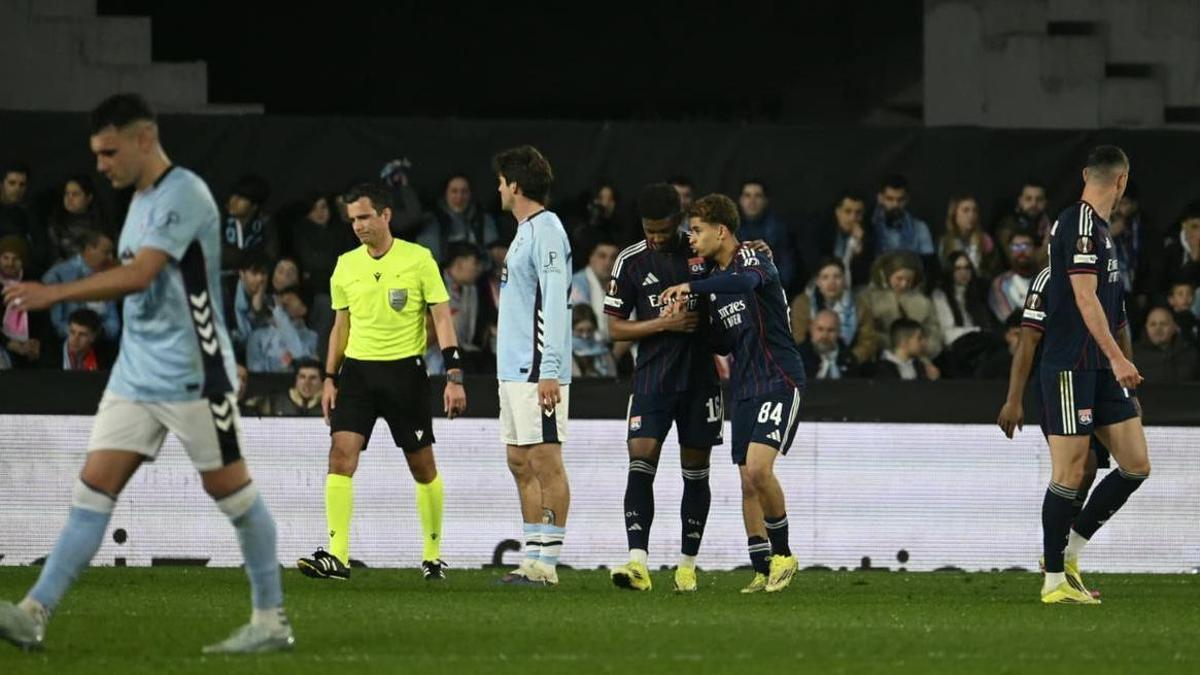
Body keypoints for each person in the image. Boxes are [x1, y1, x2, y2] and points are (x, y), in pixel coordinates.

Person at [0, 93, 291, 653]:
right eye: (97, 154)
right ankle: (33, 613)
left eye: (109, 153)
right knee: (93, 489)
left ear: (144, 139)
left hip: (194, 374)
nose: (101, 165)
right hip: (136, 374)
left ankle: (270, 619)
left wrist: (52, 293)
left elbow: (141, 275)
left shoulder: (185, 193)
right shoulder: (139, 199)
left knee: (231, 492)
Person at [296, 182, 467, 583]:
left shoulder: (418, 259)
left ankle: (432, 555)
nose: (357, 226)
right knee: (340, 456)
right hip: (357, 374)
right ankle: (337, 556)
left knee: (423, 468)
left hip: (405, 374)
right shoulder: (345, 265)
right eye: (352, 219)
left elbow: (442, 318)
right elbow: (340, 326)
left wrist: (453, 376)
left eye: (364, 217)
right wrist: (329, 377)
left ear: (386, 215)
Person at [660, 193, 806, 594]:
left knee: (759, 469)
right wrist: (686, 319)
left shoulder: (752, 259)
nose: (692, 238)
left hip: (779, 377)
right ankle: (762, 567)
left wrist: (691, 286)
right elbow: (722, 343)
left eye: (697, 230)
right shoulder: (714, 280)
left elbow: (745, 282)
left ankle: (784, 554)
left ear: (721, 231)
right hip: (744, 386)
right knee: (747, 481)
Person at [1034, 145, 1150, 605]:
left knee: (1136, 464)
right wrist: (1120, 360)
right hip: (1071, 364)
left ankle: (1069, 553)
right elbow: (1085, 298)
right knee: (1070, 471)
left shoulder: (1100, 231)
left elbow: (1114, 310)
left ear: (1087, 174)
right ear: (1122, 181)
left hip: (1101, 367)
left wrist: (1120, 369)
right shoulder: (1080, 224)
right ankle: (1053, 580)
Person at [603, 183, 723, 593]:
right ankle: (638, 562)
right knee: (641, 459)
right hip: (652, 379)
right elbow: (615, 328)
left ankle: (687, 567)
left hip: (700, 379)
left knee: (696, 470)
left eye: (664, 230)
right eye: (649, 230)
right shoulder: (630, 261)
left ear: (679, 220)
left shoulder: (702, 251)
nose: (655, 238)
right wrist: (663, 323)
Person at [997, 265, 1136, 599]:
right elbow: (1028, 341)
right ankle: (1057, 566)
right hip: (1063, 380)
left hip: (1102, 379)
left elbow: (1121, 329)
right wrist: (1013, 399)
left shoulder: (1110, 276)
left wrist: (1128, 390)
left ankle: (1065, 549)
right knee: (1080, 466)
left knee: (1123, 467)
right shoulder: (1049, 279)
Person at [493, 145, 573, 587]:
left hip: (536, 368)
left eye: (502, 182)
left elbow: (555, 301)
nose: (499, 189)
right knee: (519, 461)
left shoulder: (547, 230)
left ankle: (547, 564)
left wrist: (550, 368)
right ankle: (532, 556)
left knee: (545, 460)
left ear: (516, 185)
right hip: (513, 369)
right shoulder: (524, 231)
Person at [790, 257, 879, 366]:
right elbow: (799, 337)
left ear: (844, 280)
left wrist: (851, 358)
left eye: (837, 277)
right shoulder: (803, 303)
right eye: (825, 277)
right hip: (810, 360)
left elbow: (868, 339)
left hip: (849, 361)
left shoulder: (859, 305)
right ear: (817, 281)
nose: (831, 282)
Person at [42, 228, 120, 341]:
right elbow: (57, 325)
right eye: (106, 252)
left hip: (102, 342)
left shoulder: (108, 275)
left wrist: (97, 333)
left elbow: (113, 324)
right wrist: (83, 335)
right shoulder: (57, 276)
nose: (111, 258)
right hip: (66, 344)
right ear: (89, 249)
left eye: (112, 253)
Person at [245, 285, 319, 373]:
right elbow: (254, 369)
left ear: (303, 309)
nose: (283, 304)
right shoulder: (258, 335)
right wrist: (281, 363)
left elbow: (298, 355)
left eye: (289, 301)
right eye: (281, 300)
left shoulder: (311, 336)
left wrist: (280, 316)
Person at [46, 174, 105, 263]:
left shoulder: (101, 222)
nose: (69, 199)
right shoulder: (56, 225)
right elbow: (55, 259)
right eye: (67, 193)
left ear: (89, 198)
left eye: (75, 194)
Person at [1133, 307, 1200, 383]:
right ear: (1146, 328)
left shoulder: (1190, 353)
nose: (1158, 329)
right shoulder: (1134, 356)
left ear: (1174, 327)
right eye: (1153, 324)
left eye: (1163, 324)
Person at [938, 195, 999, 277]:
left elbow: (992, 271)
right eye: (965, 210)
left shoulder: (985, 240)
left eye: (975, 211)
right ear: (954, 214)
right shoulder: (945, 242)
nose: (971, 215)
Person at [798, 309, 858, 379]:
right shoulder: (798, 358)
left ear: (839, 332)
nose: (825, 336)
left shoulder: (849, 360)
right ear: (811, 330)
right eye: (820, 329)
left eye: (830, 330)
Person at [875, 318, 940, 380]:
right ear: (903, 342)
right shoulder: (881, 369)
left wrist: (933, 380)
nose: (924, 342)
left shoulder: (920, 366)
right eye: (919, 338)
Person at [258, 358, 324, 417]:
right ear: (296, 380)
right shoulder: (275, 402)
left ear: (322, 382)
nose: (307, 383)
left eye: (313, 378)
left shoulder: (329, 405)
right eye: (302, 377)